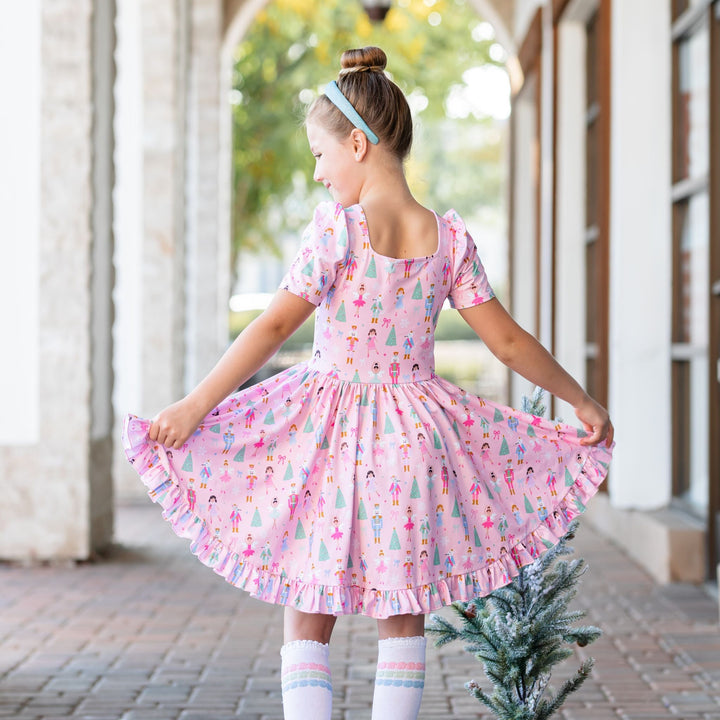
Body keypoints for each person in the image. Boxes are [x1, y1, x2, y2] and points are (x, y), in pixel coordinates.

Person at [122, 46, 614, 720]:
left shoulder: (336, 232)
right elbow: (504, 340)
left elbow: (270, 330)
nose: (318, 174)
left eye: (322, 156)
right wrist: (578, 399)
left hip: (326, 437)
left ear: (358, 143)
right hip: (414, 441)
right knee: (401, 616)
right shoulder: (448, 239)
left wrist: (196, 404)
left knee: (308, 614)